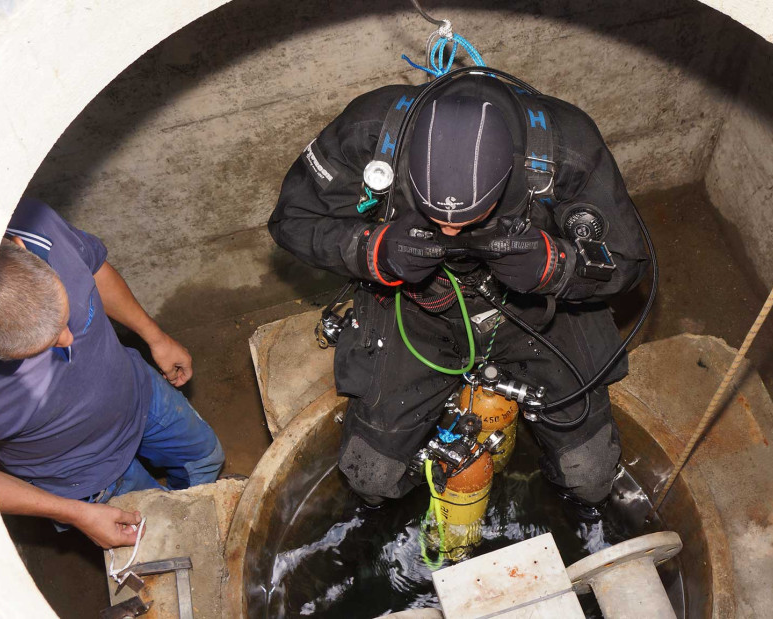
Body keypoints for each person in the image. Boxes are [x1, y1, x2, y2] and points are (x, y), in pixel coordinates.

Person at [269, 73, 647, 508]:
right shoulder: (372, 132)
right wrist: (376, 250)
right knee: (369, 476)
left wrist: (555, 265)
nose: (449, 229)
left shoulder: (566, 147)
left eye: (469, 218)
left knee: (591, 476)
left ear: (510, 175)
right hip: (412, 310)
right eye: (435, 216)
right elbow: (291, 219)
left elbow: (630, 261)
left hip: (540, 313)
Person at [0, 198, 224, 548]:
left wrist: (156, 337)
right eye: (39, 345)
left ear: (19, 245)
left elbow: (92, 268)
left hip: (139, 394)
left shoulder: (33, 223)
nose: (69, 340)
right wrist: (73, 513)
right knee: (168, 540)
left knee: (206, 458)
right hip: (83, 476)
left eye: (62, 316)